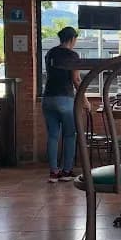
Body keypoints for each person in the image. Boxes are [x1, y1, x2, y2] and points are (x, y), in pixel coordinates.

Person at [42, 27, 90, 183]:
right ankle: (67, 171)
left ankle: (53, 172)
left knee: (53, 136)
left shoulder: (50, 53)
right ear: (72, 39)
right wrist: (85, 101)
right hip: (65, 98)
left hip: (48, 98)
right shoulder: (72, 55)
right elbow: (76, 80)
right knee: (70, 135)